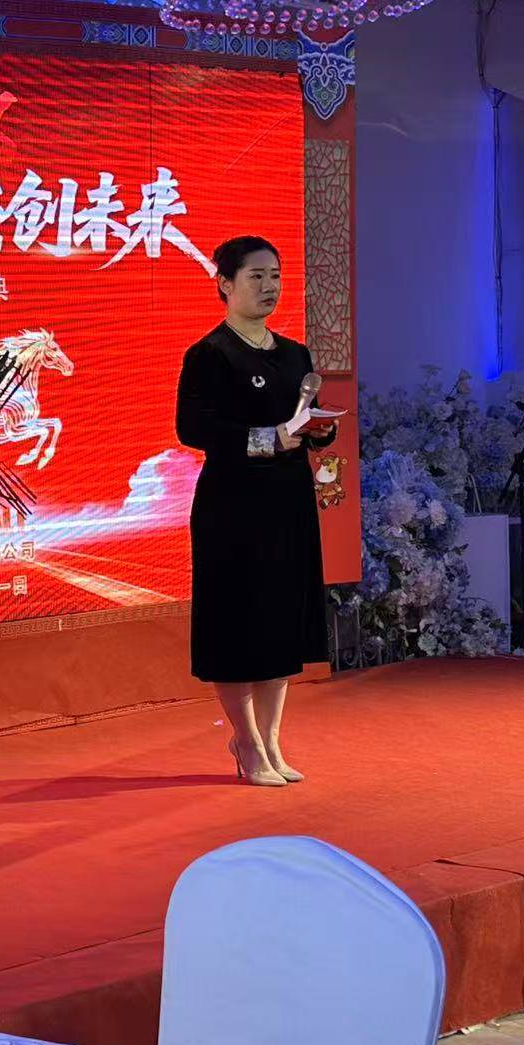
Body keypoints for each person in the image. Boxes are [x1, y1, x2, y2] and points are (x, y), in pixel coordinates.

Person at [175, 235, 336, 787]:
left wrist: (320, 430)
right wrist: (269, 439)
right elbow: (193, 428)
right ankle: (245, 740)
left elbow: (305, 420)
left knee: (281, 621)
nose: (269, 287)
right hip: (232, 506)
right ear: (225, 283)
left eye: (275, 276)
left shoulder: (295, 356)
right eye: (256, 277)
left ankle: (271, 740)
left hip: (288, 502)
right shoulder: (210, 355)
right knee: (238, 623)